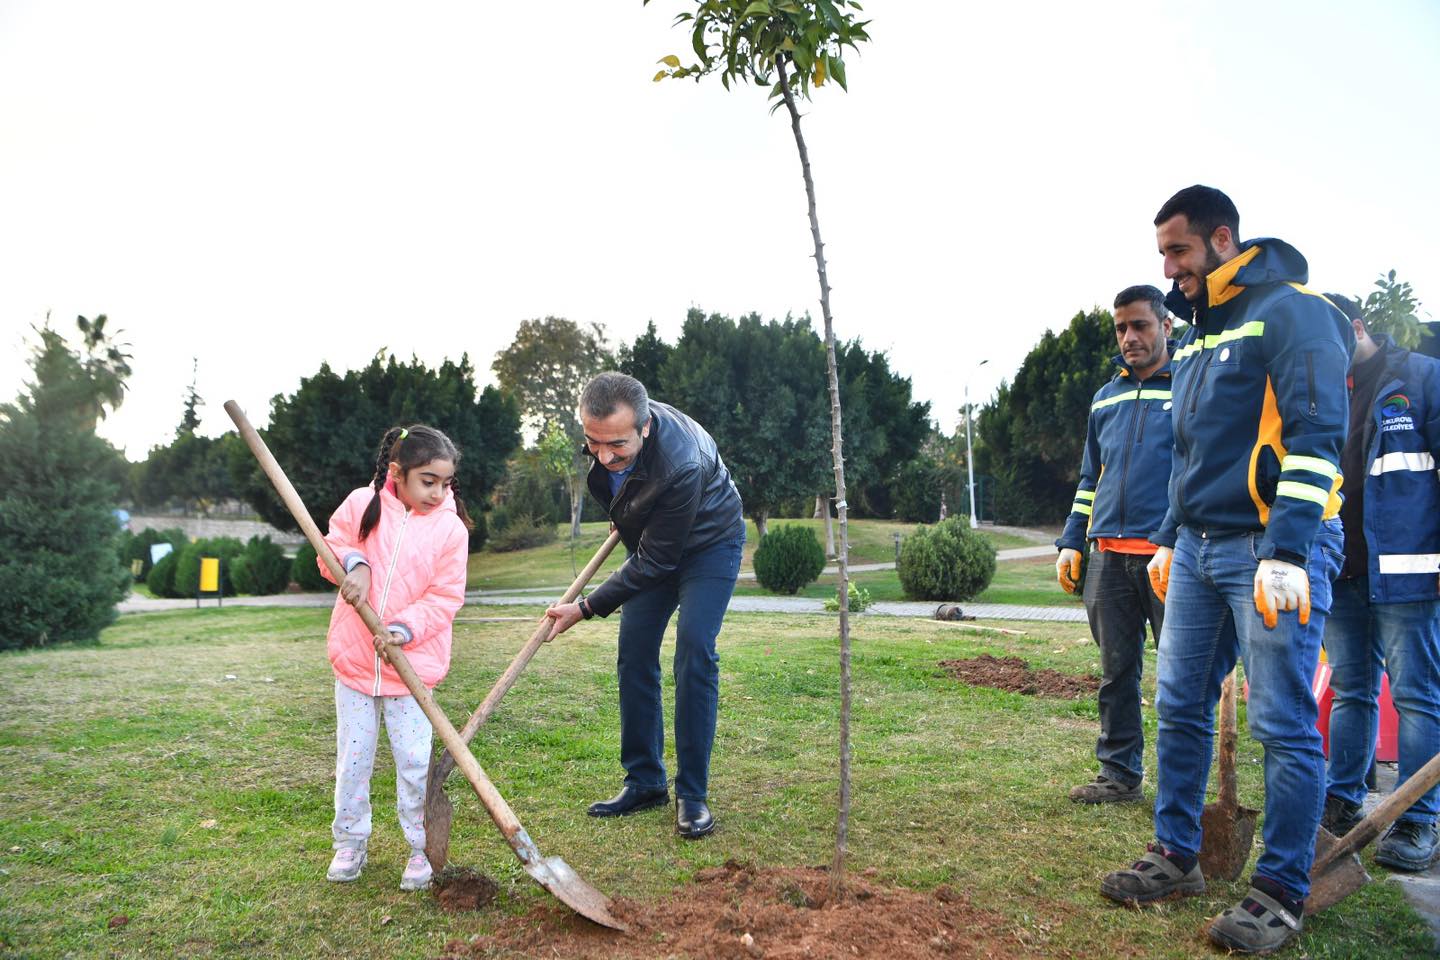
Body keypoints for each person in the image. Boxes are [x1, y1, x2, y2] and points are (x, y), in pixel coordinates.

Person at [1099, 185, 1353, 955]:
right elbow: (1191, 455)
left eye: (1177, 251)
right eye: (1162, 256)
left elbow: (1317, 437)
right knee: (1177, 703)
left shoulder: (1293, 311)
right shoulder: (1204, 334)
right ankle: (1176, 857)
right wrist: (1173, 534)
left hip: (1273, 551)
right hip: (1203, 548)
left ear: (1221, 238)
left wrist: (1287, 550)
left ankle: (1279, 892)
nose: (1169, 269)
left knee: (1281, 722)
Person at [544, 372, 745, 839]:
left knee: (695, 650)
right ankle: (645, 781)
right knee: (634, 653)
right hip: (656, 543)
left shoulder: (683, 463)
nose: (604, 456)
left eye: (617, 445)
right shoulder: (609, 440)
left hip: (709, 545)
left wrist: (587, 607)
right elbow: (641, 528)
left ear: (646, 426)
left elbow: (656, 562)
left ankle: (692, 796)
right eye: (594, 443)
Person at [319, 425, 473, 891]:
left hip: (412, 668)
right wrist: (355, 565)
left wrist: (405, 629)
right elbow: (328, 548)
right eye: (428, 480)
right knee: (354, 759)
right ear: (397, 473)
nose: (438, 492)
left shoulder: (450, 529)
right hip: (356, 664)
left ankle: (419, 849)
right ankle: (350, 842)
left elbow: (446, 597)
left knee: (412, 760)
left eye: (444, 483)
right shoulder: (361, 505)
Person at [1319, 294, 1440, 871]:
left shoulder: (1420, 379)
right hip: (1343, 569)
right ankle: (1343, 801)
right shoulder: (1322, 390)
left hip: (1409, 573)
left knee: (1416, 696)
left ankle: (1417, 820)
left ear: (1359, 327)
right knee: (1352, 692)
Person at [1056, 285, 1174, 804]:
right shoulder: (1106, 396)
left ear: (1166, 326)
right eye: (1122, 328)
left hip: (1169, 557)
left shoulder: (1190, 384)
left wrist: (1177, 540)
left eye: (1141, 326)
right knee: (1115, 675)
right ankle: (1119, 775)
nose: (1129, 337)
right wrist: (1071, 542)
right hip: (1106, 558)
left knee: (1180, 683)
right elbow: (1089, 478)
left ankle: (1178, 786)